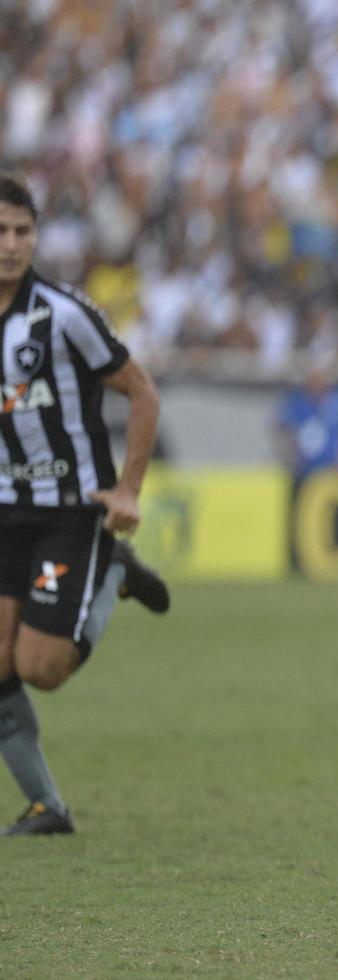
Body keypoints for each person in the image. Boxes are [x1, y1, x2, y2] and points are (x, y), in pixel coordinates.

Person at [0, 173, 169, 836]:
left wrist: (127, 489)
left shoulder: (62, 314)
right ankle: (47, 807)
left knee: (41, 669)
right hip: (5, 511)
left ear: (35, 237)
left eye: (21, 232)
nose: (10, 244)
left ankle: (116, 571)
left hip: (71, 510)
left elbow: (143, 392)